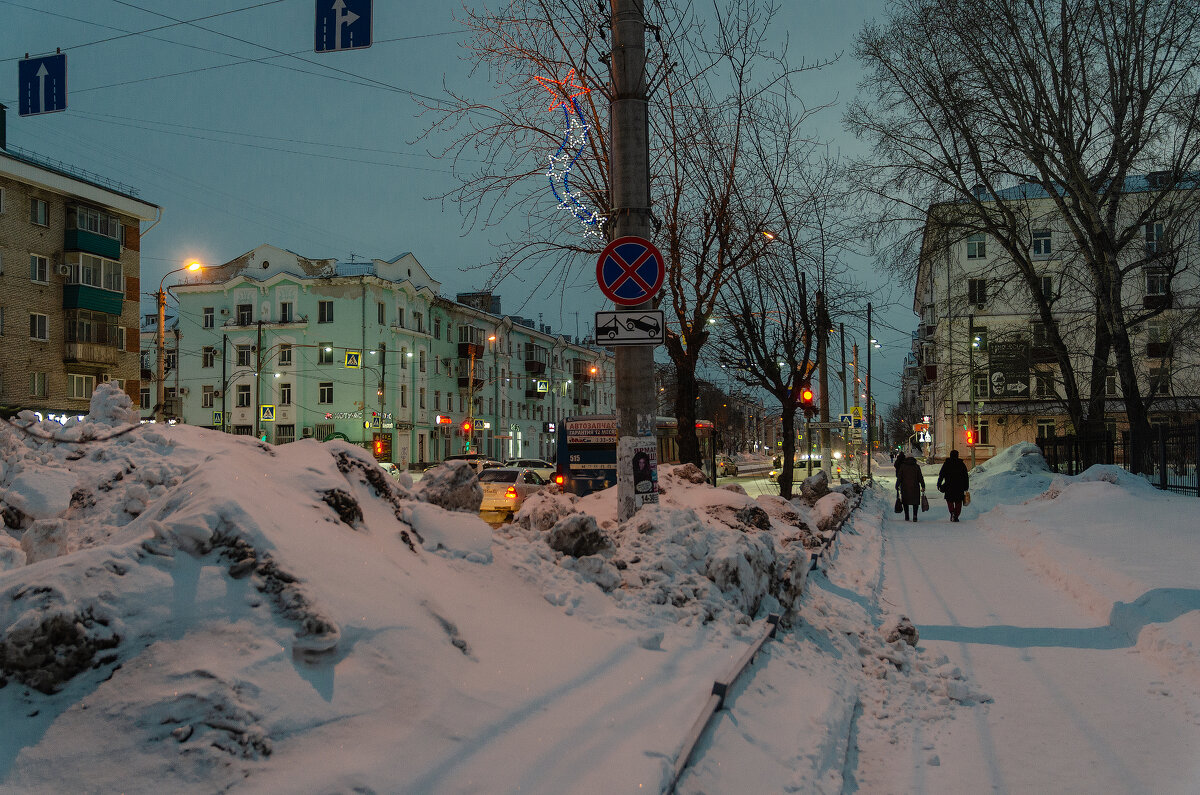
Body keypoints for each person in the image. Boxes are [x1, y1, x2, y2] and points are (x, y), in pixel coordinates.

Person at [936, 449, 970, 522]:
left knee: (949, 500)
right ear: (957, 455)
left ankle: (952, 512)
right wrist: (966, 486)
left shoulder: (946, 464)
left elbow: (941, 474)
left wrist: (939, 483)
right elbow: (965, 476)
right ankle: (956, 515)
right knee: (958, 501)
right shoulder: (961, 464)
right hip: (959, 486)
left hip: (949, 485)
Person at [896, 454, 925, 522]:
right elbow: (920, 477)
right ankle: (915, 516)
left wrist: (897, 485)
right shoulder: (916, 466)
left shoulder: (902, 466)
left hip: (905, 487)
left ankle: (907, 515)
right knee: (915, 502)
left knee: (905, 501)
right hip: (915, 486)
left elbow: (899, 477)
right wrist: (923, 485)